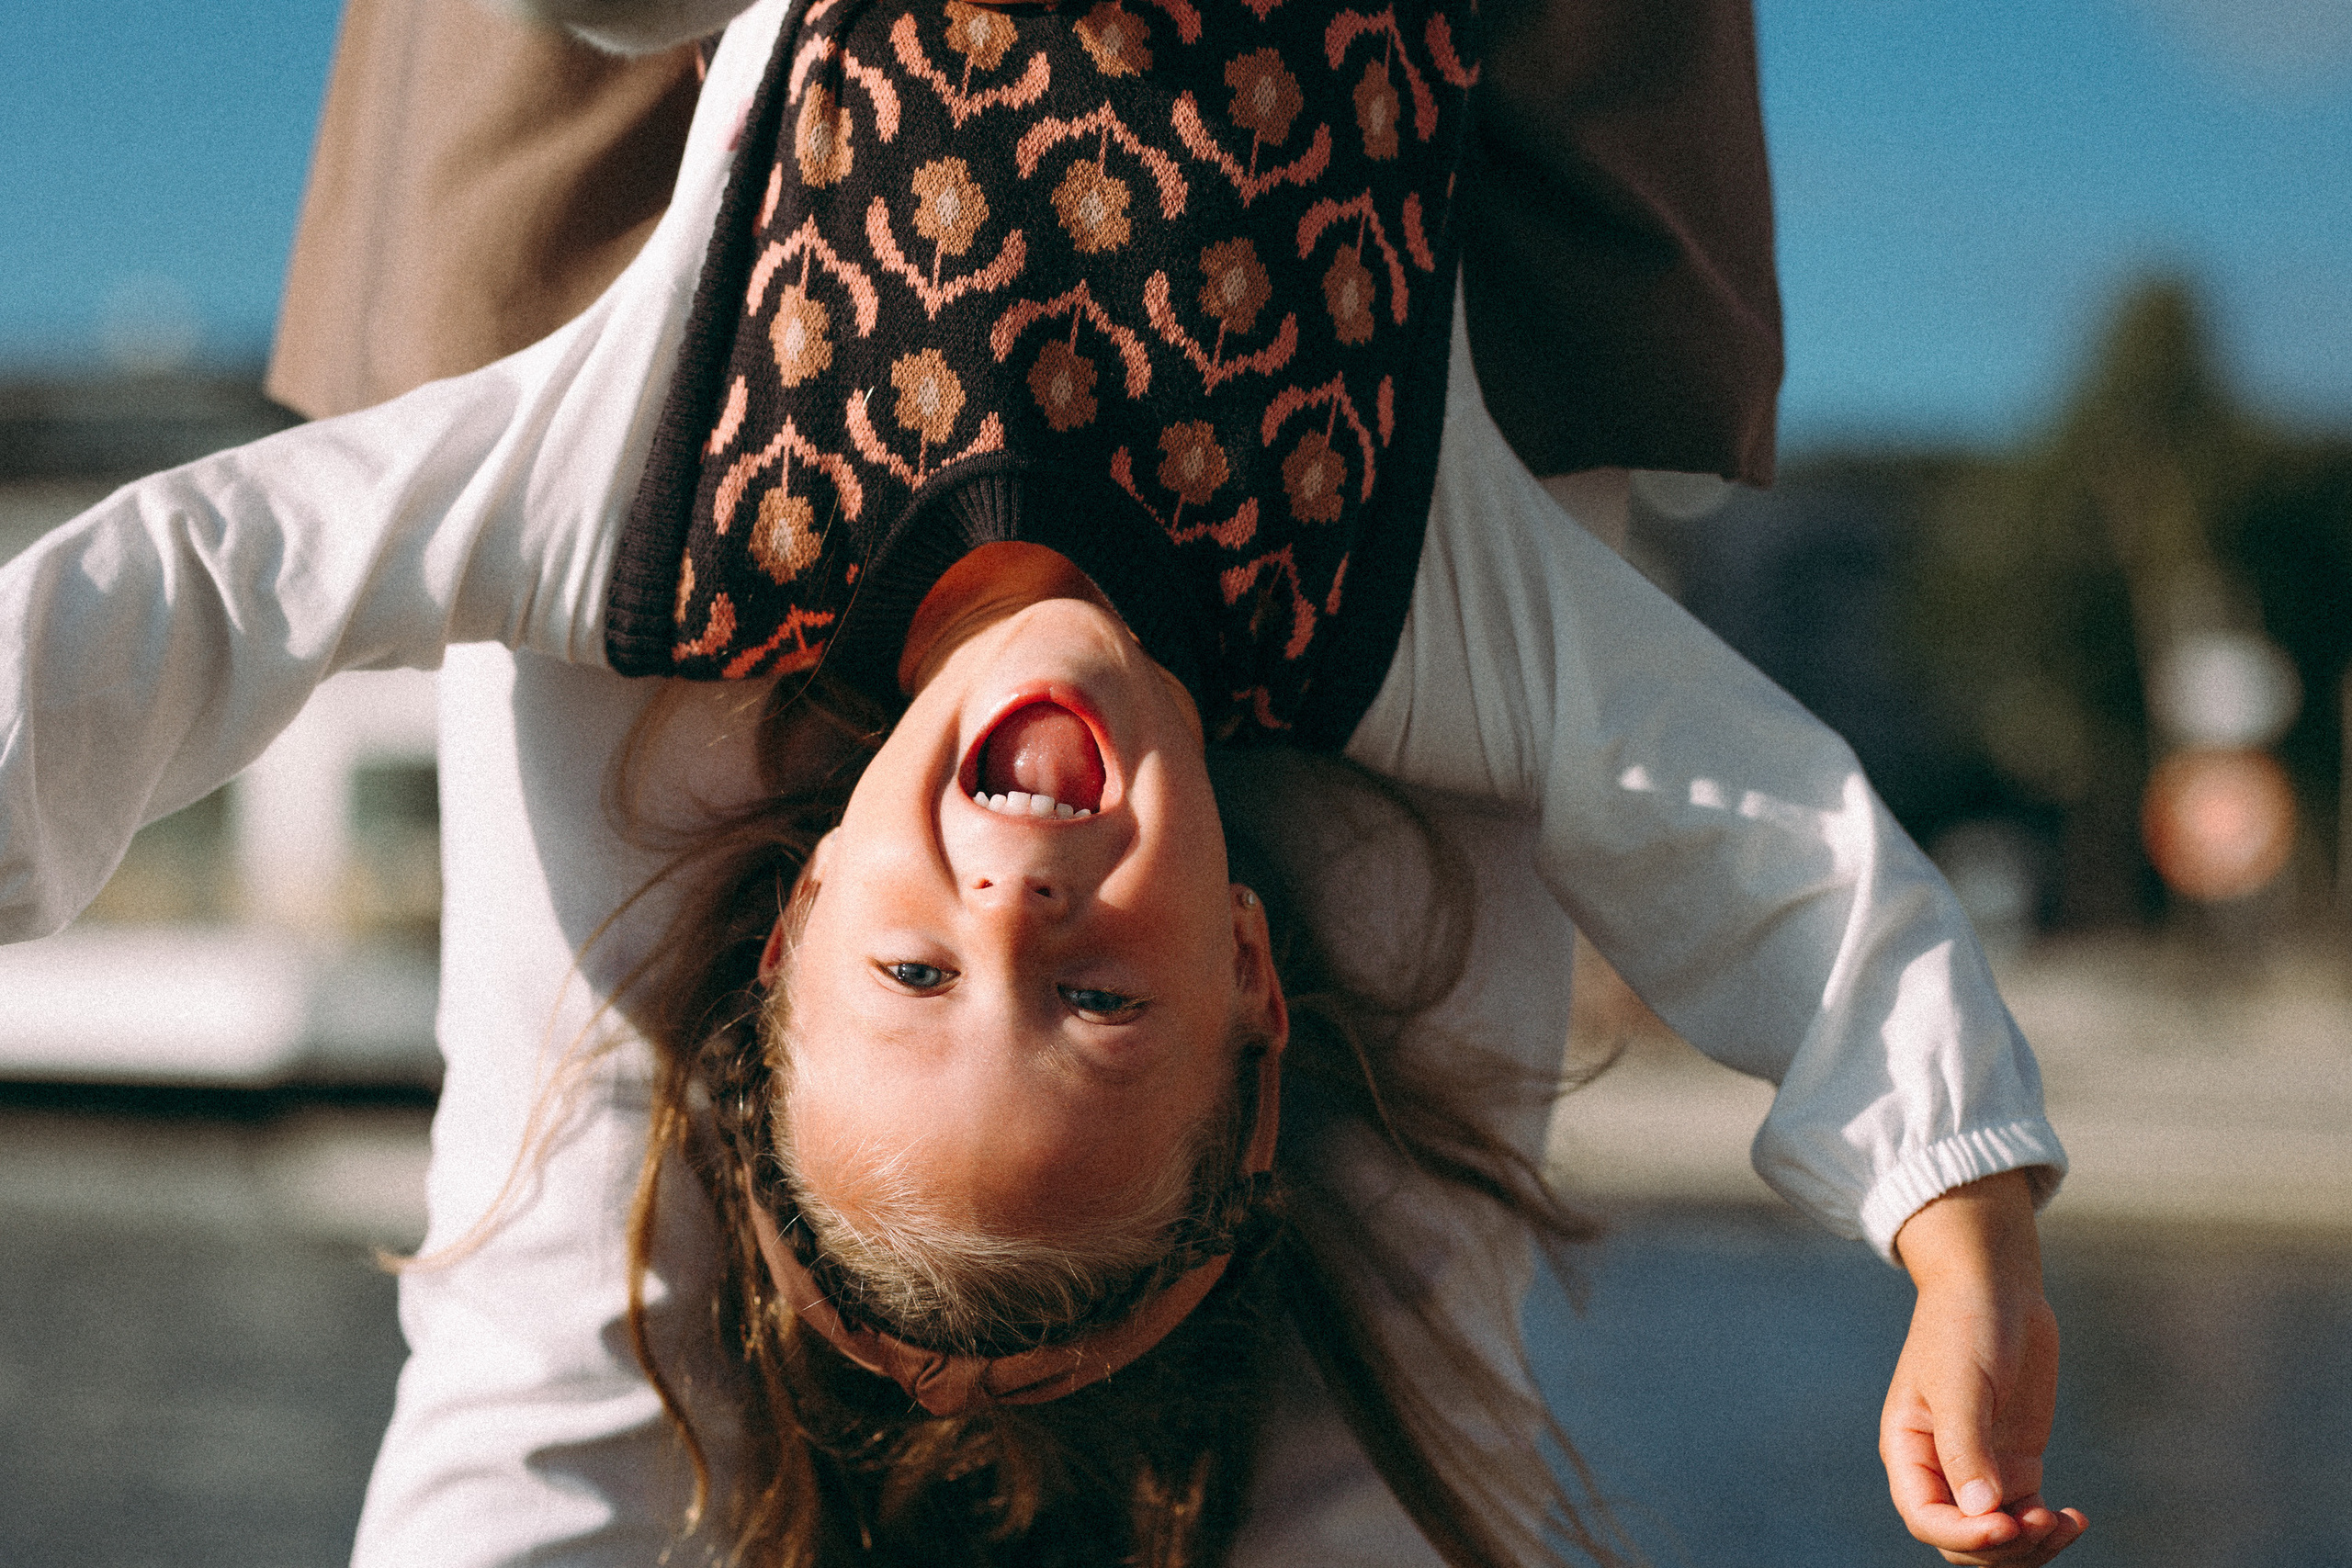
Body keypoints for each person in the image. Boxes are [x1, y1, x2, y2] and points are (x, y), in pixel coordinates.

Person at [0, 0, 2083, 1562]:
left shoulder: (652, 511)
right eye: (1099, 1003)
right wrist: (1956, 1232)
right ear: (1258, 977)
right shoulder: (1397, 600)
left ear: (797, 903)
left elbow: (213, 580)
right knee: (1394, 1382)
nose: (1011, 914)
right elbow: (1773, 851)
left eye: (914, 977)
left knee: (562, 1328)